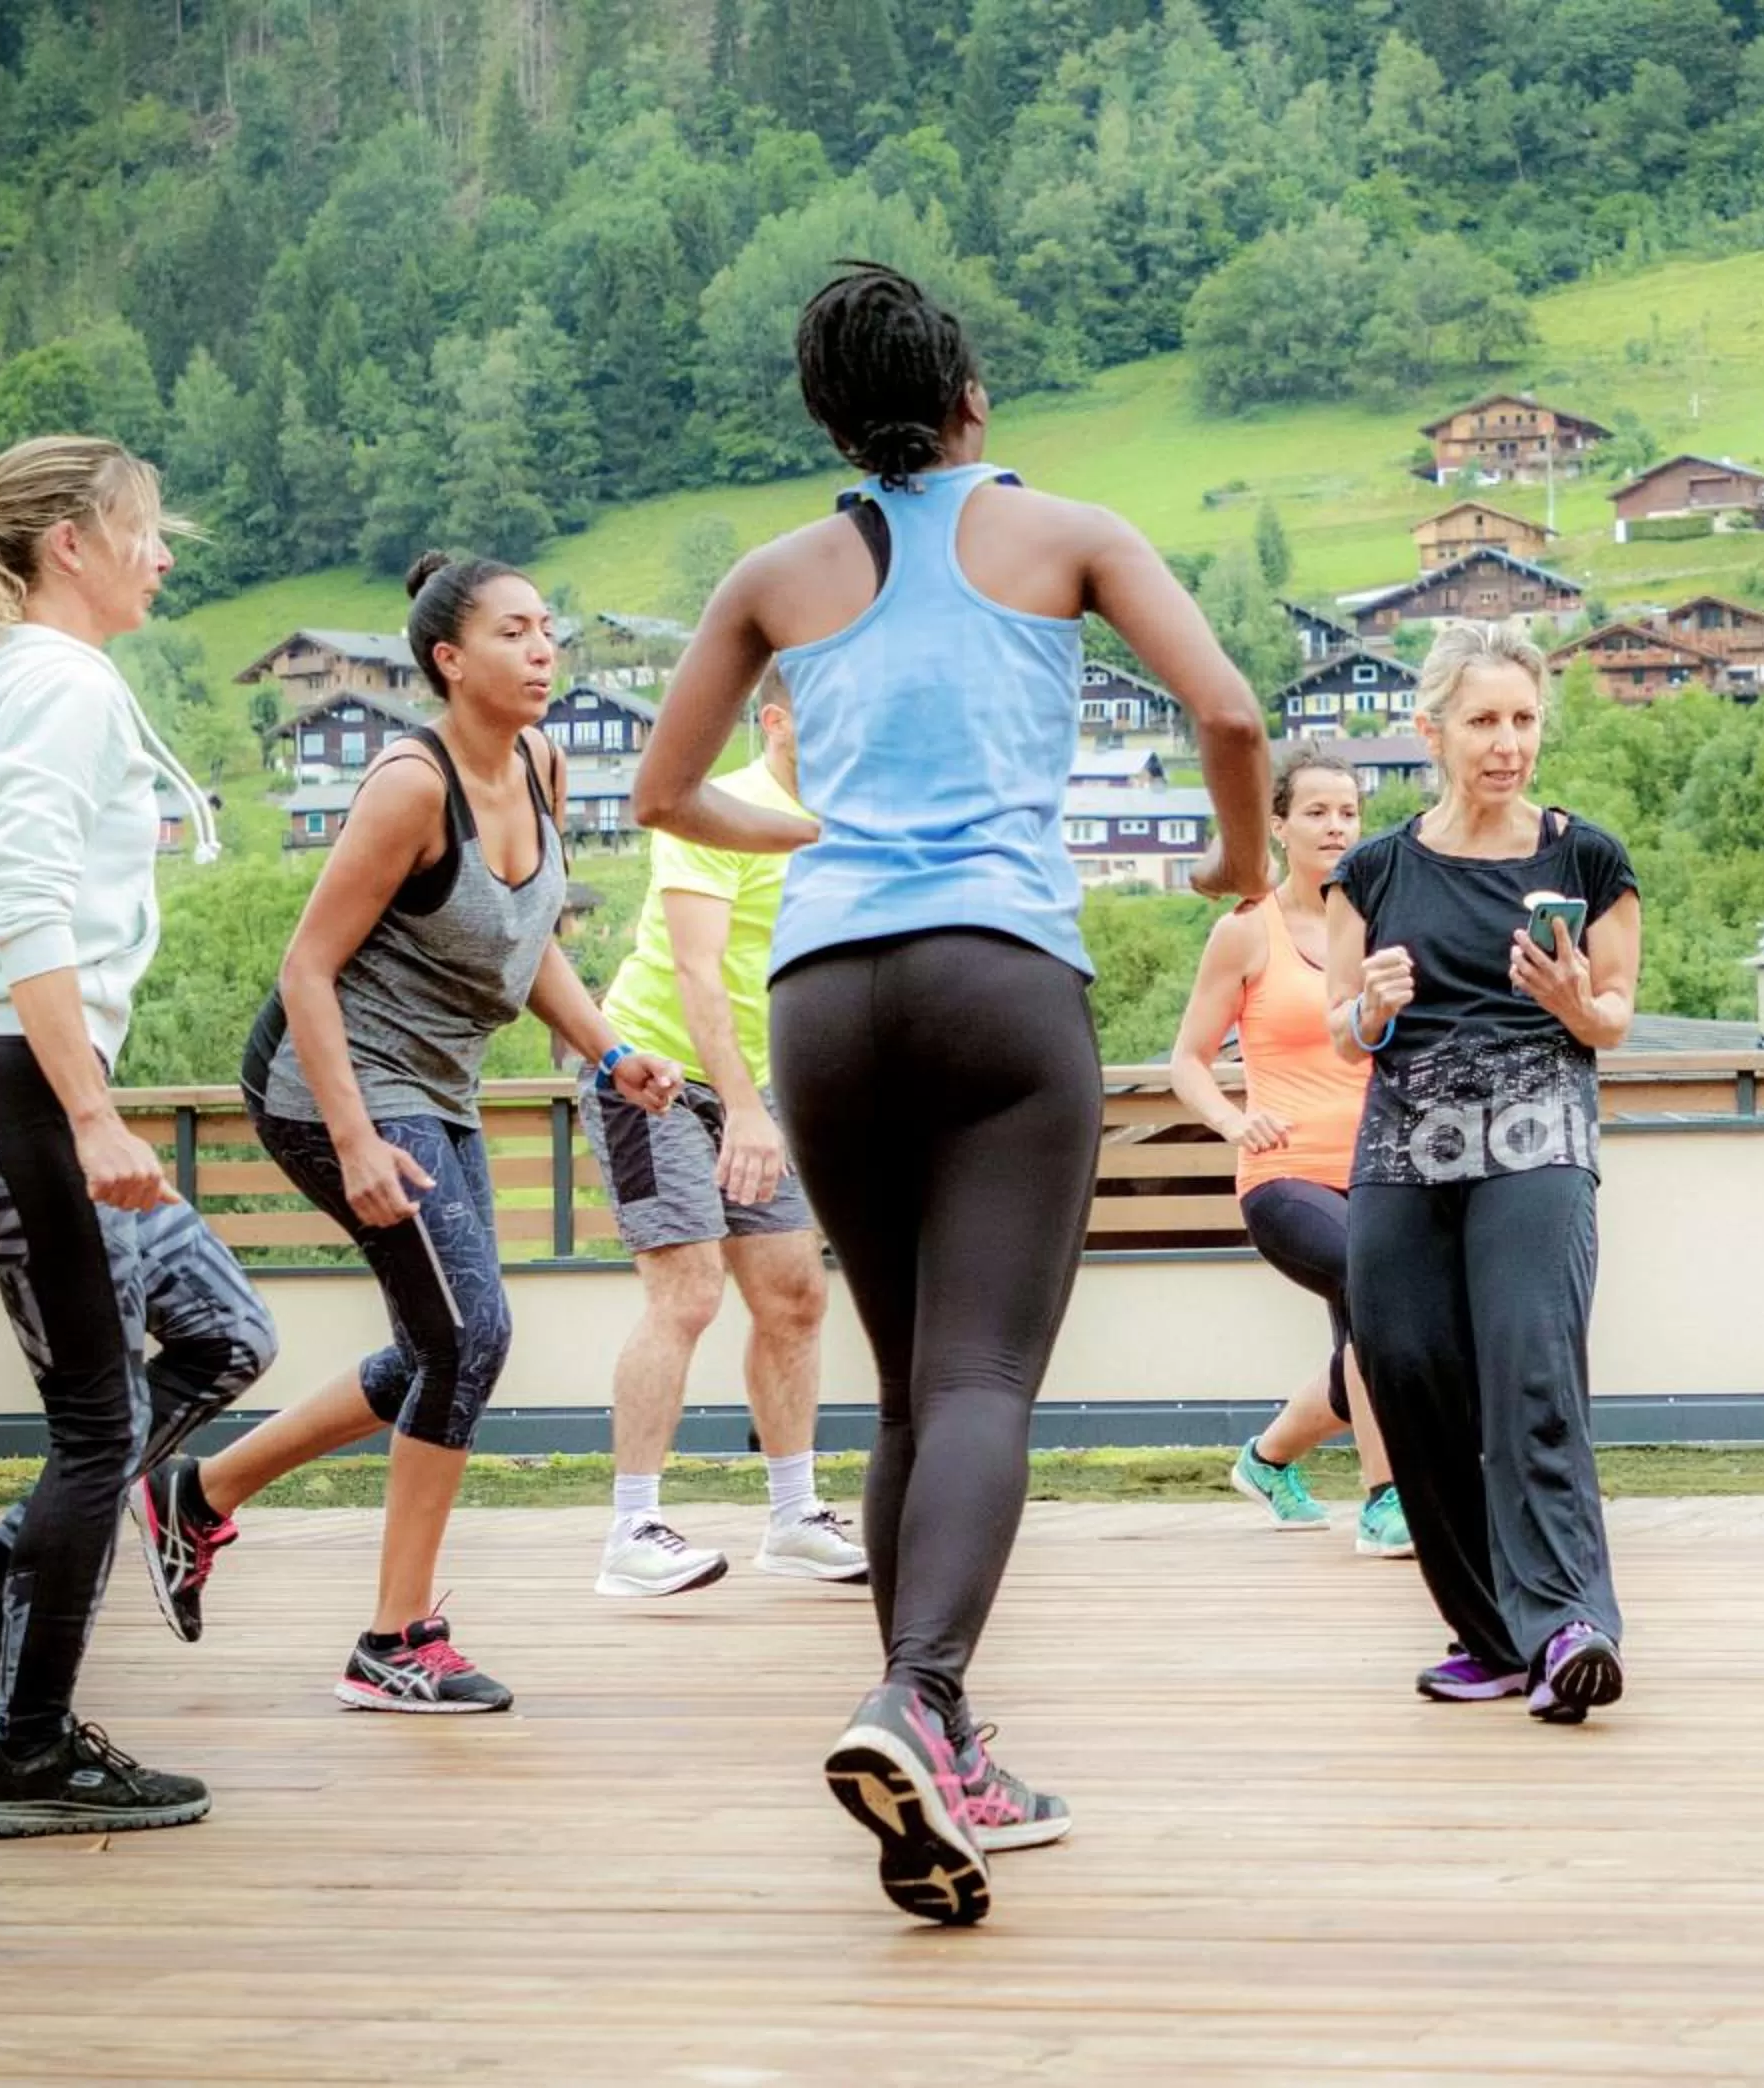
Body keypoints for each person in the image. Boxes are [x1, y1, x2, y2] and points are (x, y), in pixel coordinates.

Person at [635, 262, 1272, 1925]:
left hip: (825, 996)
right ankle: (916, 1694)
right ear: (973, 397)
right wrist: (1238, 861)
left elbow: (660, 790)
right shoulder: (1069, 534)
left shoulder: (776, 572)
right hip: (999, 976)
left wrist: (805, 834)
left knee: (913, 1382)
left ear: (829, 419)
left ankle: (946, 1743)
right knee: (985, 1370)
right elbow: (1230, 707)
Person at [186, 551, 686, 1714]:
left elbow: (529, 940)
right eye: (516, 633)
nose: (546, 650)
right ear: (450, 661)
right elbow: (306, 973)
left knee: (436, 1343)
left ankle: (198, 1498)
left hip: (436, 1089)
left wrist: (609, 1053)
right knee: (471, 1339)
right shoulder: (411, 788)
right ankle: (394, 1639)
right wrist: (356, 1143)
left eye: (550, 629)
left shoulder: (544, 764)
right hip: (331, 1087)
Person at [0, 434, 278, 1838]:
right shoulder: (58, 686)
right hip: (29, 1084)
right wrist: (89, 1112)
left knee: (224, 1333)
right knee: (99, 1431)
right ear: (72, 548)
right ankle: (24, 1755)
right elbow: (25, 905)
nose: (164, 557)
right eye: (147, 532)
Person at [1323, 621, 1640, 1727]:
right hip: (1402, 1151)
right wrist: (1371, 1007)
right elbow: (1338, 1032)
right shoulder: (1373, 870)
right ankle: (1489, 1636)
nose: (1507, 744)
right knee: (1406, 1374)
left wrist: (1571, 1005)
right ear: (1432, 729)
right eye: (1484, 721)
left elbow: (1615, 1018)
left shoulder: (1585, 859)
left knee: (1529, 1371)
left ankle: (1569, 1625)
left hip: (1539, 1142)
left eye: (1523, 720)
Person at [584, 682, 865, 1597]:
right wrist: (744, 1111)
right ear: (778, 720)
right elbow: (699, 973)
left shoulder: (841, 832)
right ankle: (632, 1528)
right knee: (689, 1291)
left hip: (757, 1085)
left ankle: (792, 1520)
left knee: (793, 1297)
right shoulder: (719, 812)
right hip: (652, 1076)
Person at [1169, 747, 1409, 1558]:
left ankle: (1269, 1458)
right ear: (1278, 825)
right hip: (1284, 1176)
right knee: (1378, 1287)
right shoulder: (1246, 931)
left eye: (1347, 811)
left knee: (1379, 1324)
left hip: (1380, 1174)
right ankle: (1386, 1499)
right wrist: (1235, 1123)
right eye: (1316, 811)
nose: (1335, 825)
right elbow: (1187, 1061)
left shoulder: (1382, 926)